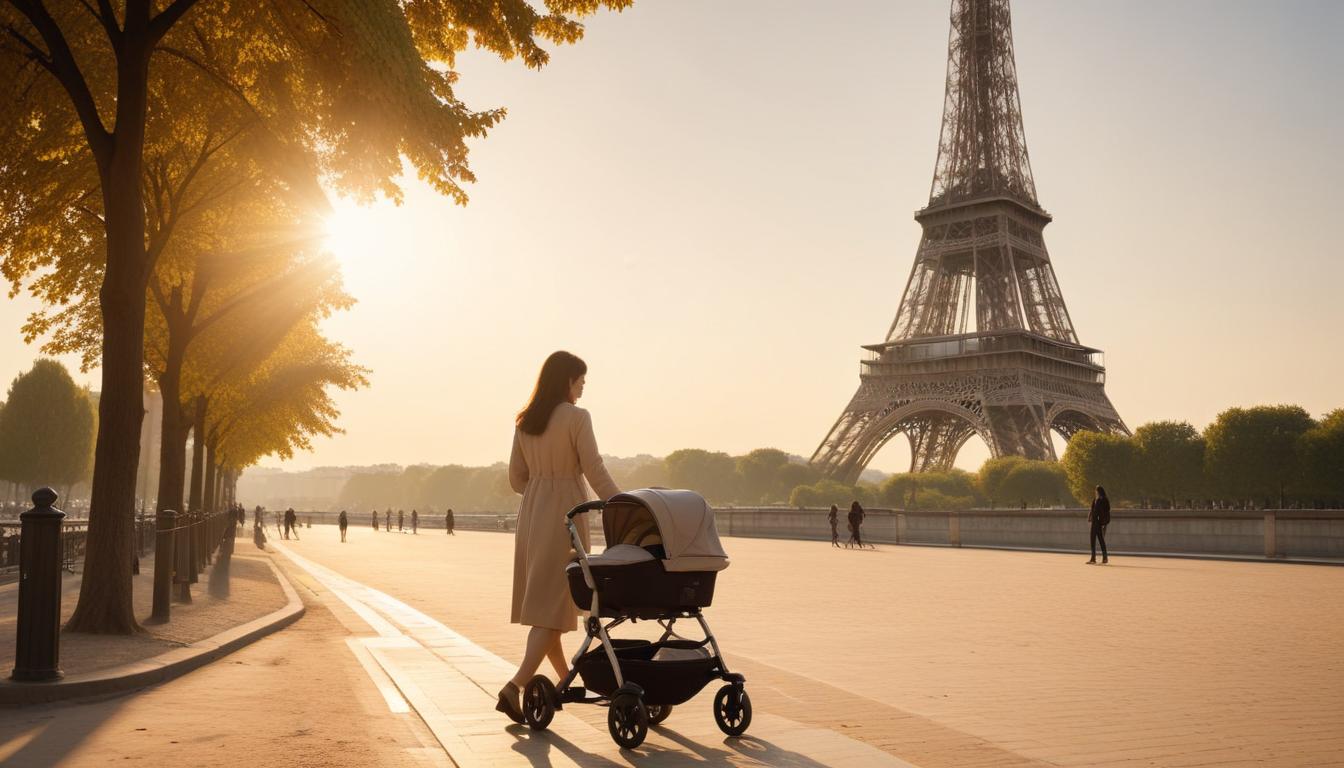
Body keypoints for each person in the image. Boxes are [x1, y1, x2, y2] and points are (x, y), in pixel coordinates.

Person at [496, 351, 620, 724]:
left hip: (533, 515)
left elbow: (516, 479)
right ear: (567, 380)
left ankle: (565, 678)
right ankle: (516, 683)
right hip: (566, 512)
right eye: (580, 382)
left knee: (551, 601)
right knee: (558, 602)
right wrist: (623, 504)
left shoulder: (525, 422)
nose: (582, 389)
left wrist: (540, 489)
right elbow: (593, 468)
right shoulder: (578, 418)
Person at [1087, 485, 1111, 564]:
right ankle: (1098, 558)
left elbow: (1106, 511)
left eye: (1096, 491)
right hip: (1095, 521)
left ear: (1099, 491)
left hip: (1098, 522)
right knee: (1094, 540)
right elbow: (1092, 508)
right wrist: (1090, 516)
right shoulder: (1096, 499)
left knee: (1099, 540)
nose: (1095, 492)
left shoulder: (1103, 500)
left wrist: (1104, 522)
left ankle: (1100, 558)